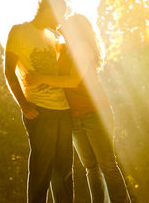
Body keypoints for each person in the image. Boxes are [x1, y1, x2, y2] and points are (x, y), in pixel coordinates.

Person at [24, 13, 132, 203]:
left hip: (95, 113)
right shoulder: (64, 49)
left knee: (107, 165)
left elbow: (73, 81)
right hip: (73, 117)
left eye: (67, 24)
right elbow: (44, 41)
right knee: (91, 167)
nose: (61, 25)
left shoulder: (83, 48)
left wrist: (41, 79)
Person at [4, 0, 73, 203]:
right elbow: (8, 72)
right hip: (40, 111)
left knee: (65, 172)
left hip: (64, 110)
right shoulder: (19, 31)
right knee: (41, 171)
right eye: (59, 15)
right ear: (48, 10)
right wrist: (23, 105)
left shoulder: (52, 37)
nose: (61, 20)